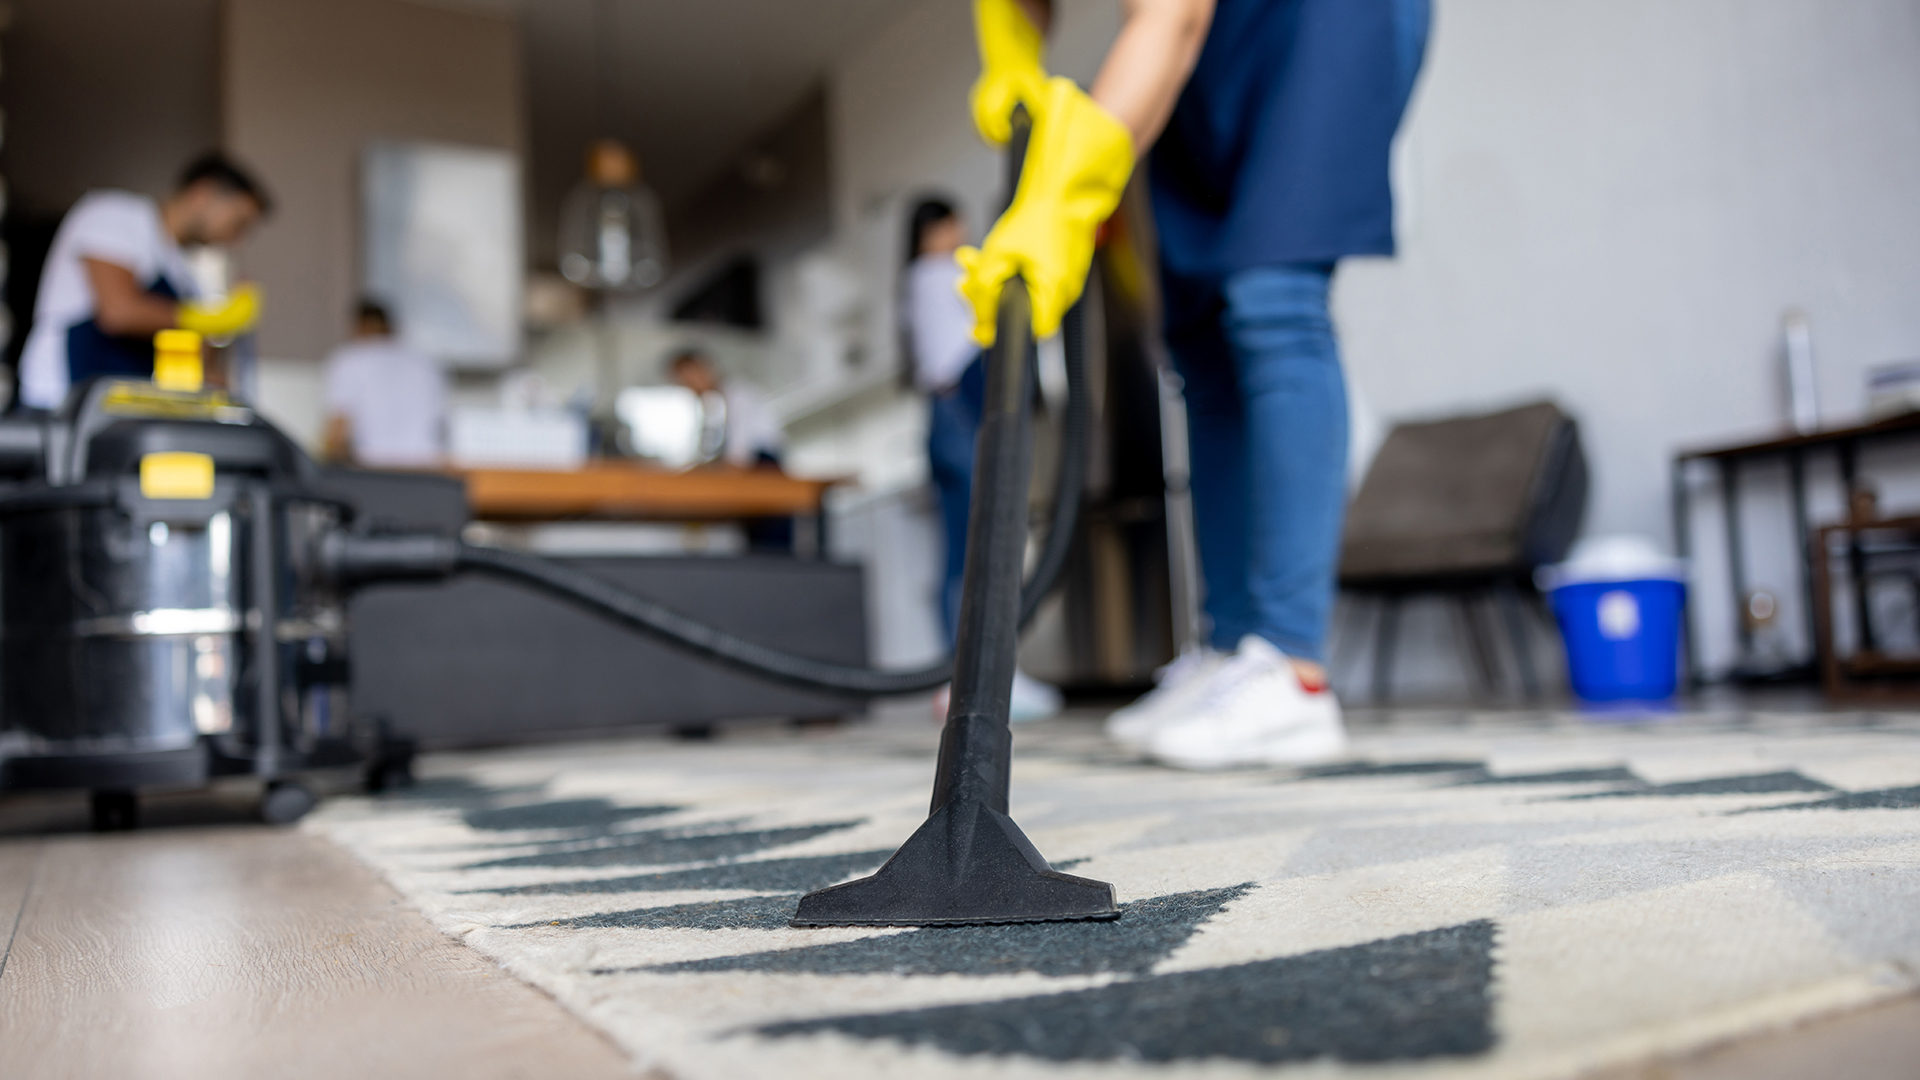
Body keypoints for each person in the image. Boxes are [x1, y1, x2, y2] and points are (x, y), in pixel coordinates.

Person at [956, 0, 1427, 767]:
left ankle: (1291, 667)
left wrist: (1062, 201)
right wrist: (1011, 52)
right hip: (1206, 49)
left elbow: (1169, 17)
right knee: (1200, 345)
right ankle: (1231, 651)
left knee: (1273, 302)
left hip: (1319, 22)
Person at [901, 195, 1061, 723]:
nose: (963, 233)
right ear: (941, 227)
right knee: (988, 547)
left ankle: (957, 681)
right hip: (965, 418)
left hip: (937, 419)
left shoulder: (912, 280)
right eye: (957, 224)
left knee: (956, 555)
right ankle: (991, 681)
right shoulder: (949, 272)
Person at [18, 152, 270, 411]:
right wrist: (208, 319)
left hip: (118, 408)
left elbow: (200, 362)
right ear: (203, 193)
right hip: (58, 403)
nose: (237, 240)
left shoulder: (184, 275)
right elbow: (118, 312)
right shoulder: (117, 216)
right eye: (239, 223)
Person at [669, 348, 792, 551]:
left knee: (772, 550)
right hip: (755, 475)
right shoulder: (718, 405)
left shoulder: (739, 396)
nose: (690, 388)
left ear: (703, 369)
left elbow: (738, 460)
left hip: (765, 474)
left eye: (688, 380)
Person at [323, 300, 446, 468]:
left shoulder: (350, 360)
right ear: (390, 327)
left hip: (376, 474)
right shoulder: (426, 364)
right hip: (427, 473)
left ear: (358, 327)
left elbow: (337, 434)